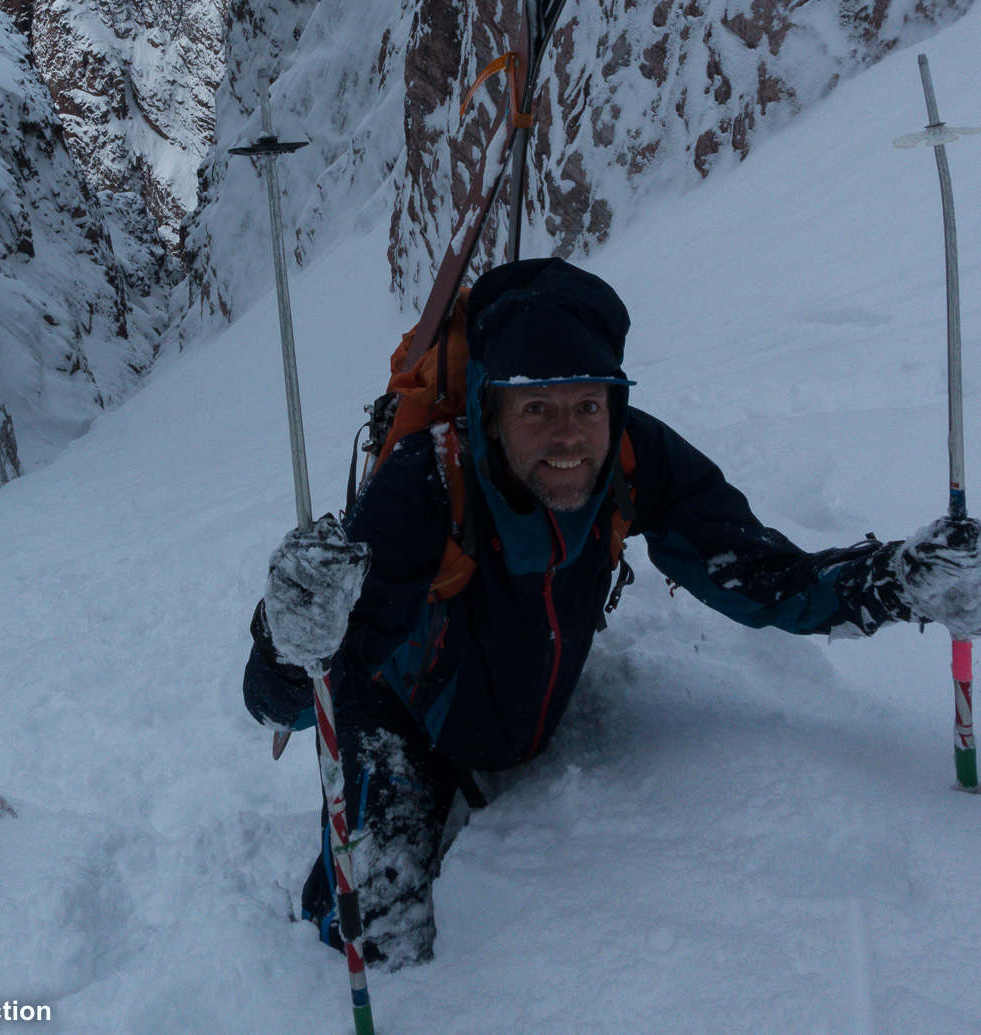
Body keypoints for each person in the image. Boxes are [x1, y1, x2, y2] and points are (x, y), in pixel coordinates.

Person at [243, 258, 981, 969]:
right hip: (403, 718)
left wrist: (901, 581)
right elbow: (293, 692)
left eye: (588, 405)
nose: (568, 434)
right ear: (490, 413)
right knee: (377, 938)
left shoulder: (632, 457)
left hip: (519, 709)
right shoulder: (428, 483)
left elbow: (766, 579)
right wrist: (288, 638)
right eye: (537, 407)